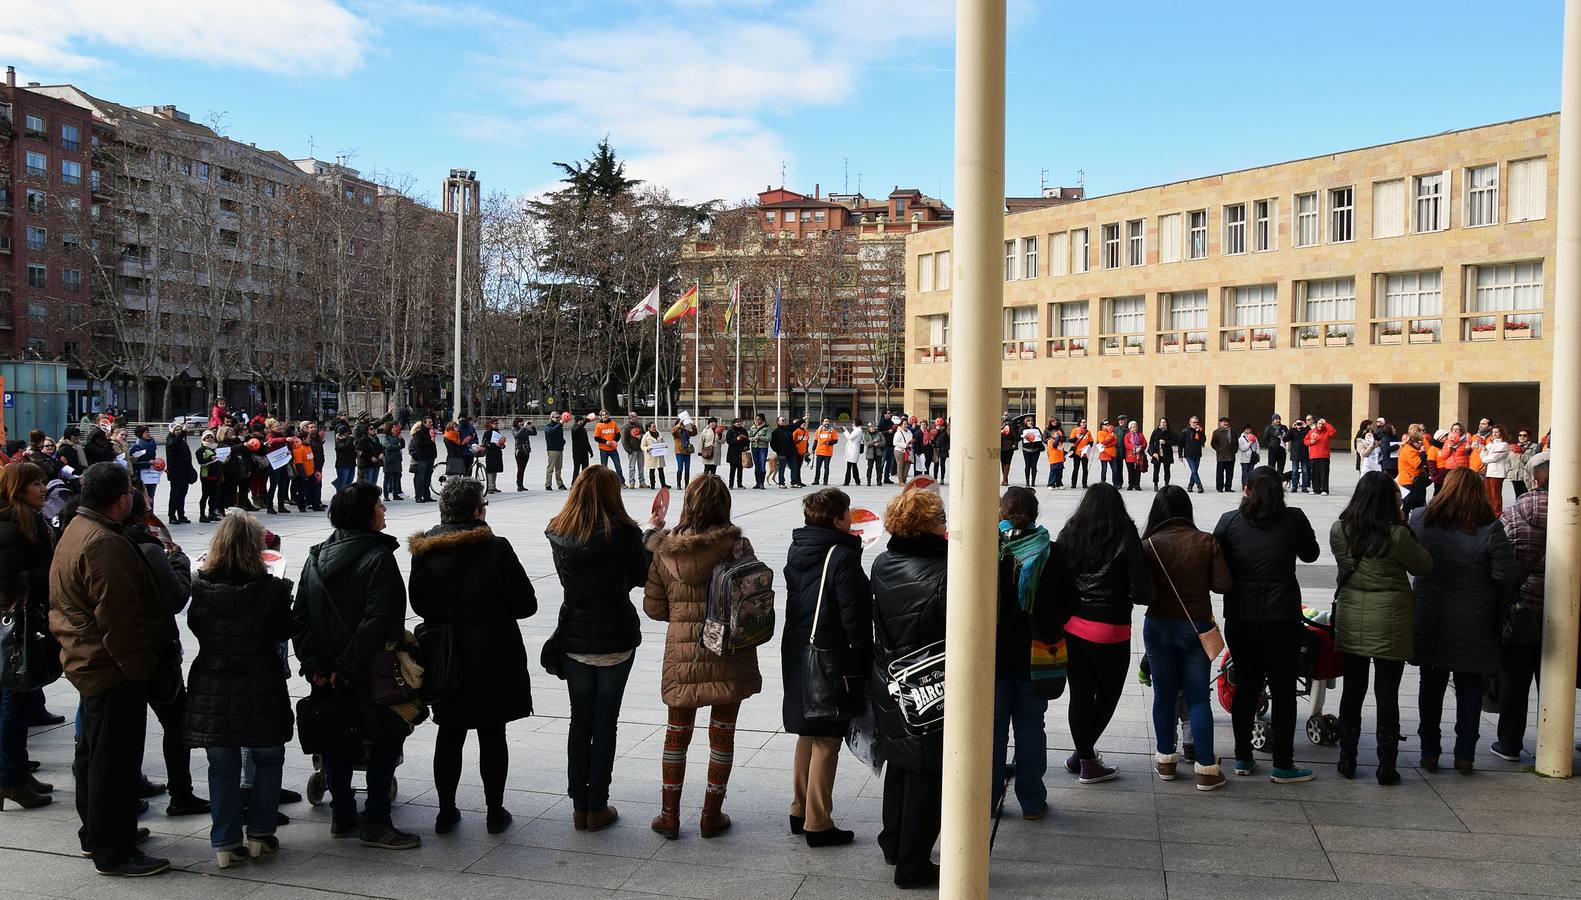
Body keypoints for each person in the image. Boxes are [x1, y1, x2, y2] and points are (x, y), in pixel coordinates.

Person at [48, 463, 173, 875]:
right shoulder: (104, 542)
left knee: (95, 754)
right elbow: (119, 618)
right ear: (122, 499)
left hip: (89, 660)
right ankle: (111, 848)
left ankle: (100, 833)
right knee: (112, 762)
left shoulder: (80, 529)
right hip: (110, 667)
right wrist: (138, 670)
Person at [291, 481, 420, 850]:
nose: (384, 510)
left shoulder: (315, 556)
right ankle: (377, 821)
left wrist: (314, 663)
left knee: (336, 737)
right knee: (386, 737)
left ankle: (342, 813)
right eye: (379, 505)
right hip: (367, 670)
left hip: (326, 673)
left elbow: (299, 617)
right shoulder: (378, 558)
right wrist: (347, 664)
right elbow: (382, 621)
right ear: (366, 514)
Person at [409, 477, 536, 835]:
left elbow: (419, 603)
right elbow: (526, 604)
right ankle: (495, 811)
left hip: (445, 654)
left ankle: (445, 812)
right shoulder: (496, 548)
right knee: (492, 733)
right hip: (492, 652)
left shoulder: (425, 549)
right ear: (478, 511)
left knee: (449, 732)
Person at [642, 474, 760, 839]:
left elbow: (654, 608)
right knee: (722, 735)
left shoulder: (665, 548)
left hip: (683, 654)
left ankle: (669, 815)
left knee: (677, 733)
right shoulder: (737, 545)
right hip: (728, 650)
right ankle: (711, 815)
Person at [546, 466, 658, 831]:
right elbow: (641, 576)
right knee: (605, 721)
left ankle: (579, 804)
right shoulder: (624, 534)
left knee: (580, 720)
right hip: (615, 638)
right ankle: (598, 805)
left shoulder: (558, 531)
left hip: (575, 637)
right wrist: (651, 536)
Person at [185, 512, 294, 868]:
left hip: (213, 682)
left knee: (222, 766)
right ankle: (261, 832)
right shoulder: (273, 589)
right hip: (260, 680)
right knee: (267, 758)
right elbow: (282, 631)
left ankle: (225, 841)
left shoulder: (199, 586)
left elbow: (199, 629)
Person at [1214, 467, 1321, 783]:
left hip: (1241, 616)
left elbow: (1216, 561)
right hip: (1282, 617)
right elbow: (1311, 554)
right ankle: (1283, 764)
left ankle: (1244, 758)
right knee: (1284, 689)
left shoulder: (1229, 521)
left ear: (1246, 490)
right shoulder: (1294, 518)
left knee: (1246, 685)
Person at [1411, 468, 1519, 774]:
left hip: (1430, 616)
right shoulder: (1489, 527)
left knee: (1430, 683)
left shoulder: (1420, 519)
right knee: (1470, 684)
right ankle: (1465, 754)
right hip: (1474, 618)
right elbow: (1505, 575)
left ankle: (1429, 750)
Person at [780, 488, 872, 846]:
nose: (851, 518)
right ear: (837, 520)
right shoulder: (841, 556)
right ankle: (818, 823)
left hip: (799, 648)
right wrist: (864, 656)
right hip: (831, 652)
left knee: (808, 729)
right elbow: (853, 614)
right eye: (848, 513)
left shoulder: (799, 547)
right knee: (828, 737)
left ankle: (798, 808)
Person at [1330, 471, 1434, 784]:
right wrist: (1403, 525)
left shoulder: (1340, 529)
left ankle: (1347, 758)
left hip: (1351, 614)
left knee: (1353, 690)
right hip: (1390, 618)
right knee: (1387, 692)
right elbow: (1424, 565)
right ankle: (1386, 764)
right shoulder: (1397, 534)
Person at [869, 488, 947, 889]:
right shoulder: (945, 571)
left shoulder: (884, 562)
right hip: (929, 685)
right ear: (928, 526)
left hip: (889, 677)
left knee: (900, 762)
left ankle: (894, 842)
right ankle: (913, 865)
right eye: (941, 519)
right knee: (928, 772)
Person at [1056, 483, 1149, 783]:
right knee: (1108, 695)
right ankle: (1086, 758)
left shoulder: (1071, 531)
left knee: (1080, 695)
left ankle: (1082, 755)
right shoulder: (1125, 533)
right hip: (1110, 627)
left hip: (1073, 624)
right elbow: (1139, 590)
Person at [1141, 485, 1232, 791]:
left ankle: (1166, 759)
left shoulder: (1149, 544)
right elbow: (1222, 585)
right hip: (1196, 626)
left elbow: (1140, 593)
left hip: (1158, 626)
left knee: (1164, 696)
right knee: (1196, 697)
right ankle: (1206, 768)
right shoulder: (1206, 541)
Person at [122, 490, 207, 817]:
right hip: (155, 650)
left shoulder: (110, 542)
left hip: (124, 650)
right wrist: (180, 562)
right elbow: (177, 597)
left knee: (128, 727)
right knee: (175, 723)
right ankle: (181, 793)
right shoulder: (150, 549)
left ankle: (131, 787)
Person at [991, 488, 1076, 815]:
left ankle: (989, 799)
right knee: (1030, 729)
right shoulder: (1051, 553)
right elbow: (1072, 602)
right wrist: (1048, 623)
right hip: (1038, 654)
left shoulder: (990, 550)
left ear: (1001, 512)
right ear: (1035, 514)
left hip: (993, 657)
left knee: (993, 732)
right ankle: (1032, 801)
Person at [0, 464, 57, 811]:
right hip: (13, 624)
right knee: (13, 701)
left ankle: (16, 771)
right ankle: (10, 779)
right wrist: (50, 571)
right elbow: (9, 580)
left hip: (19, 620)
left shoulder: (25, 518)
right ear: (18, 488)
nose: (42, 488)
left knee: (15, 701)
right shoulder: (13, 523)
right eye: (35, 483)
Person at [1494, 451, 1549, 762]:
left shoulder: (1513, 514)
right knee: (1556, 678)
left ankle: (1510, 743)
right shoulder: (1573, 511)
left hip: (1521, 611)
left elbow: (1501, 561)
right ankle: (1553, 740)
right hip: (1562, 613)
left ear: (1531, 480)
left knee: (1514, 678)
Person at [164, 424, 195, 524]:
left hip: (185, 472)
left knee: (182, 495)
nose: (178, 431)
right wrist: (183, 432)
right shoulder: (170, 440)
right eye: (176, 430)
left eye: (180, 429)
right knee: (175, 495)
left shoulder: (182, 441)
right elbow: (174, 444)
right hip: (176, 473)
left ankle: (181, 514)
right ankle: (172, 515)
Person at [1398, 425, 1430, 517]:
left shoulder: (1412, 449)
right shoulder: (1409, 450)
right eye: (1421, 443)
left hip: (1413, 481)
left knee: (1416, 504)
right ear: (1415, 442)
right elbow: (1418, 464)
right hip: (1409, 482)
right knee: (1408, 505)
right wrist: (1423, 453)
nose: (1422, 445)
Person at [1479, 425, 1510, 516]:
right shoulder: (1491, 444)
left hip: (1497, 473)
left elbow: (1494, 458)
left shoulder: (1504, 445)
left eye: (1496, 432)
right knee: (1488, 495)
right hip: (1488, 472)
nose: (1494, 434)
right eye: (1493, 432)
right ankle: (1489, 513)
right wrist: (1484, 452)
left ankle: (1497, 514)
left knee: (1495, 495)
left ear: (1501, 433)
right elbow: (1481, 455)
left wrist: (1485, 457)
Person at [1304, 416, 1337, 495]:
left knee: (1324, 473)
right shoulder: (1311, 432)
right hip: (1314, 456)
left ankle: (1324, 490)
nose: (1320, 425)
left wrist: (1326, 423)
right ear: (1316, 424)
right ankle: (1316, 489)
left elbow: (1333, 432)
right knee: (1315, 474)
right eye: (1319, 423)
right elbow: (1305, 441)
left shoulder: (1327, 432)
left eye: (1322, 424)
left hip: (1324, 456)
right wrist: (1310, 442)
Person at [197, 432, 224, 523]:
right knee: (205, 495)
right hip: (206, 476)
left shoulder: (216, 448)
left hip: (216, 475)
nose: (210, 438)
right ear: (203, 439)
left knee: (214, 496)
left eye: (211, 437)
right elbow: (201, 462)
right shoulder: (201, 450)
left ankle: (211, 513)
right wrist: (211, 459)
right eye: (207, 437)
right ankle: (202, 515)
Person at [409, 418, 438, 502]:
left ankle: (427, 496)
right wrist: (430, 441)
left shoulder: (430, 432)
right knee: (420, 478)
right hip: (422, 459)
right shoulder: (419, 434)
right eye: (429, 422)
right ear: (424, 423)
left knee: (427, 478)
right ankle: (418, 496)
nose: (431, 423)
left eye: (431, 422)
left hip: (430, 458)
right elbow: (419, 445)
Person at [130, 426, 159, 502]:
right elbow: (134, 464)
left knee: (151, 495)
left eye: (148, 432)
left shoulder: (152, 443)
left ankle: (151, 512)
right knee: (143, 496)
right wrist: (147, 463)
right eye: (146, 433)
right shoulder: (136, 447)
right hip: (141, 474)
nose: (148, 434)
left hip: (152, 473)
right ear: (140, 434)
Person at [1176, 416, 1205, 494]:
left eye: (1197, 422)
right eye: (1193, 422)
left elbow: (1203, 441)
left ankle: (1190, 485)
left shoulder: (1199, 431)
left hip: (1197, 454)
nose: (1195, 424)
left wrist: (1200, 432)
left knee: (1194, 471)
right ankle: (1199, 485)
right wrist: (1180, 455)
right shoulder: (1185, 431)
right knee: (1194, 470)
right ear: (1190, 423)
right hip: (1189, 454)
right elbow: (1180, 444)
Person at [480, 419, 507, 494]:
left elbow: (500, 442)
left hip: (497, 453)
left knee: (495, 470)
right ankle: (490, 486)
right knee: (490, 470)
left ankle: (493, 486)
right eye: (495, 423)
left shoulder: (497, 432)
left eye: (497, 423)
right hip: (490, 453)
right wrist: (494, 445)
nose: (496, 425)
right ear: (491, 424)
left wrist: (502, 445)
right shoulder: (487, 432)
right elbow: (484, 443)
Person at [379, 423, 405, 502]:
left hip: (397, 459)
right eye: (393, 428)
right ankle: (386, 495)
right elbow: (388, 446)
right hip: (389, 460)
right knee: (387, 478)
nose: (394, 429)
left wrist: (401, 439)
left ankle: (395, 494)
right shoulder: (385, 437)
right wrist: (398, 446)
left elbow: (403, 445)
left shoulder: (395, 436)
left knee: (396, 478)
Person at [621, 412, 647, 489]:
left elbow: (645, 435)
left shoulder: (639, 425)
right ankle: (631, 482)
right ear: (630, 418)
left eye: (636, 416)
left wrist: (641, 436)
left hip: (640, 449)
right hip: (632, 450)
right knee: (632, 467)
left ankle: (642, 482)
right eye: (634, 416)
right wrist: (629, 451)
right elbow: (624, 440)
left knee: (641, 467)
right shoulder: (626, 427)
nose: (636, 418)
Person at [641, 421, 669, 489]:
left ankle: (663, 484)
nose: (654, 428)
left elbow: (663, 442)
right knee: (652, 471)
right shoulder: (646, 436)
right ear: (649, 428)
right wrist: (647, 449)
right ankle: (652, 485)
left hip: (659, 455)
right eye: (653, 427)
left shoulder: (659, 434)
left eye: (655, 426)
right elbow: (642, 446)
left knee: (661, 470)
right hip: (651, 455)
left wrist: (665, 446)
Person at [1147, 418, 1174, 490]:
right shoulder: (1156, 431)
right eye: (1161, 422)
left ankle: (1166, 484)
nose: (1162, 424)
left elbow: (1175, 441)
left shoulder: (1170, 431)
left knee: (1167, 470)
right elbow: (1151, 443)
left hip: (1166, 454)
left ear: (1166, 423)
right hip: (1157, 454)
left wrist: (1165, 442)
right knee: (1156, 470)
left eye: (1164, 422)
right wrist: (1153, 453)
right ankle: (1155, 484)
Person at [544, 412, 568, 491]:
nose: (558, 419)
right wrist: (560, 424)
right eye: (556, 417)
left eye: (559, 417)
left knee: (559, 468)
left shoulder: (559, 426)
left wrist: (563, 442)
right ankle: (548, 484)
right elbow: (551, 431)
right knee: (550, 468)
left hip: (559, 449)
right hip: (552, 449)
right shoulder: (548, 426)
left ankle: (560, 484)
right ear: (552, 418)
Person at [671, 415, 697, 489]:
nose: (683, 425)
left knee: (687, 469)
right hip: (679, 452)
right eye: (681, 424)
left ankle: (687, 484)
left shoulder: (687, 431)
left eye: (683, 424)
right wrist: (678, 425)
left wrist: (692, 425)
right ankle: (678, 484)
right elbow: (673, 431)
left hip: (687, 451)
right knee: (680, 469)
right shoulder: (676, 432)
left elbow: (694, 433)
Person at [1210, 417, 1235, 492]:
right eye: (1223, 422)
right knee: (1220, 474)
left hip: (1231, 456)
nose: (1225, 423)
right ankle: (1219, 487)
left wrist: (1235, 450)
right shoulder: (1217, 432)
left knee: (1230, 473)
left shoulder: (1233, 432)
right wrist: (1219, 450)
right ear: (1220, 423)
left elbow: (1236, 443)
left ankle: (1228, 487)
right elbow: (1213, 443)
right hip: (1221, 456)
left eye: (1226, 422)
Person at [747, 414, 771, 490]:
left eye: (759, 420)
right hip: (754, 447)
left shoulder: (767, 428)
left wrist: (760, 437)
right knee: (757, 465)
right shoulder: (752, 427)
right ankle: (757, 483)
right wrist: (753, 439)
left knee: (762, 465)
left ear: (763, 420)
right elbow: (749, 437)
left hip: (762, 448)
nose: (757, 421)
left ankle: (762, 483)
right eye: (756, 419)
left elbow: (769, 438)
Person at [355, 423, 384, 487]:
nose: (373, 430)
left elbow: (381, 447)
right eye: (371, 429)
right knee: (368, 483)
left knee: (374, 482)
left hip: (376, 463)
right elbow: (360, 452)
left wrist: (382, 453)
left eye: (374, 429)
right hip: (368, 465)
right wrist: (370, 458)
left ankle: (373, 496)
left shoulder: (376, 439)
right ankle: (367, 496)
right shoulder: (363, 440)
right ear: (367, 431)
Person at [512, 418, 537, 492]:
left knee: (523, 468)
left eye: (522, 422)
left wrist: (533, 426)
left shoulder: (525, 429)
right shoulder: (514, 429)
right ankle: (519, 485)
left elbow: (534, 433)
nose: (521, 423)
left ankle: (521, 484)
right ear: (516, 423)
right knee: (520, 468)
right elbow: (516, 435)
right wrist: (523, 427)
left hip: (526, 450)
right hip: (519, 450)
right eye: (520, 422)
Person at [1288, 416, 1311, 492]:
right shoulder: (1293, 431)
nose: (1299, 425)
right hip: (1295, 455)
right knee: (1294, 471)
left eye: (1300, 423)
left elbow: (1311, 433)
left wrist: (1306, 426)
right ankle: (1294, 487)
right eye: (1297, 423)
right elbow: (1285, 438)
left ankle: (1304, 487)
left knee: (1305, 471)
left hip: (1304, 455)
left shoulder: (1306, 431)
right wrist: (1291, 428)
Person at [813, 418, 838, 486]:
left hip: (828, 452)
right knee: (818, 467)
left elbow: (836, 440)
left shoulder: (832, 430)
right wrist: (813, 449)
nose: (827, 422)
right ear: (822, 422)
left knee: (826, 467)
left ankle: (825, 480)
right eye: (825, 421)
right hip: (819, 451)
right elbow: (815, 440)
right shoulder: (819, 430)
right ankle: (816, 480)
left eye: (828, 421)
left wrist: (829, 442)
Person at [1262, 415, 1289, 479]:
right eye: (1276, 419)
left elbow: (1288, 436)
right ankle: (1271, 484)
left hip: (1282, 451)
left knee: (1281, 469)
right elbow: (1265, 439)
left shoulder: (1284, 427)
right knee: (1271, 468)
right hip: (1273, 451)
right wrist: (1270, 446)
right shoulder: (1269, 428)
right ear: (1273, 420)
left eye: (1279, 419)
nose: (1278, 420)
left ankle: (1279, 484)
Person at [1123, 420, 1147, 491]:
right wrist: (1134, 447)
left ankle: (1137, 484)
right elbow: (1126, 444)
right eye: (1133, 427)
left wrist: (1141, 447)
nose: (1135, 428)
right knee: (1130, 471)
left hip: (1139, 456)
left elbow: (1144, 443)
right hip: (1130, 456)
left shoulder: (1140, 435)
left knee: (1138, 471)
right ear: (1130, 428)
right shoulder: (1127, 435)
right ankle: (1130, 484)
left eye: (1136, 426)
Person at [1019, 417, 1043, 488]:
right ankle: (1027, 482)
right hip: (1026, 449)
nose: (1030, 422)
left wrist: (1040, 436)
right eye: (1028, 421)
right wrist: (1023, 436)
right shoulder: (1023, 429)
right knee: (1027, 465)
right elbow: (1018, 436)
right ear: (1026, 422)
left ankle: (1033, 482)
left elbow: (1041, 437)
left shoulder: (1036, 429)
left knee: (1034, 465)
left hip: (1036, 449)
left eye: (1032, 420)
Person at [333, 426, 357, 493]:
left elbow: (352, 450)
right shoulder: (338, 440)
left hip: (351, 463)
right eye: (347, 432)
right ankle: (339, 498)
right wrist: (350, 439)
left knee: (349, 482)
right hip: (343, 465)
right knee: (342, 484)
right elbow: (345, 447)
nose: (348, 434)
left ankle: (346, 498)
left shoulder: (350, 440)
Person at [571, 413, 595, 482]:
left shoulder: (583, 429)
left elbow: (586, 441)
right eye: (580, 421)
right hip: (577, 452)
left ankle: (584, 482)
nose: (581, 422)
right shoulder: (574, 428)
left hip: (584, 452)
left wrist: (590, 451)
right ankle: (574, 483)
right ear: (576, 421)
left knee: (585, 469)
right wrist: (584, 422)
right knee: (576, 468)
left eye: (582, 420)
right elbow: (577, 429)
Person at [1069, 419, 1092, 488]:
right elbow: (1071, 440)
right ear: (1079, 423)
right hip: (1076, 453)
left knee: (1085, 469)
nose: (1084, 423)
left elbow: (1091, 442)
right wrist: (1076, 437)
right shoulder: (1075, 430)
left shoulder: (1088, 432)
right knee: (1076, 468)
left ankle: (1084, 484)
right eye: (1083, 422)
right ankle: (1073, 484)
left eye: (1085, 422)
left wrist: (1087, 447)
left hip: (1084, 453)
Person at [842, 422, 864, 486]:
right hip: (851, 450)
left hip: (853, 450)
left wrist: (845, 430)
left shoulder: (858, 430)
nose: (852, 424)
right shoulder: (856, 430)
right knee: (852, 466)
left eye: (854, 423)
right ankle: (856, 480)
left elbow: (850, 437)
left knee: (851, 466)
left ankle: (848, 481)